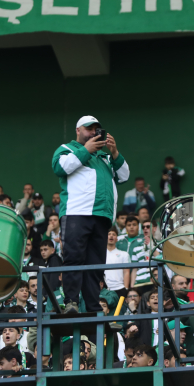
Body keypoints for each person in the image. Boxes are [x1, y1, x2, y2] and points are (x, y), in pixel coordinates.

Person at [52, 116, 129, 314]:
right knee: (74, 259)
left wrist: (114, 152)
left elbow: (124, 176)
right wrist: (86, 150)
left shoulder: (104, 157)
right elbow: (60, 167)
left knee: (96, 265)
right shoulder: (67, 148)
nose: (93, 132)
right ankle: (71, 302)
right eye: (89, 129)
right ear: (78, 130)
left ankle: (93, 307)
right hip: (76, 213)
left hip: (102, 216)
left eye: (96, 129)